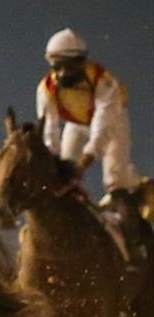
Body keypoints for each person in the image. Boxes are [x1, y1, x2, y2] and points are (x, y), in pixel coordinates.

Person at [37, 28, 139, 202]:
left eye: (69, 66)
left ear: (82, 62)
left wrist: (86, 159)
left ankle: (133, 202)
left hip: (112, 126)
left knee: (115, 182)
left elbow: (102, 124)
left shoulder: (104, 82)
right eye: (57, 66)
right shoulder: (46, 88)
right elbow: (49, 131)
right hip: (77, 125)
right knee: (64, 175)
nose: (62, 73)